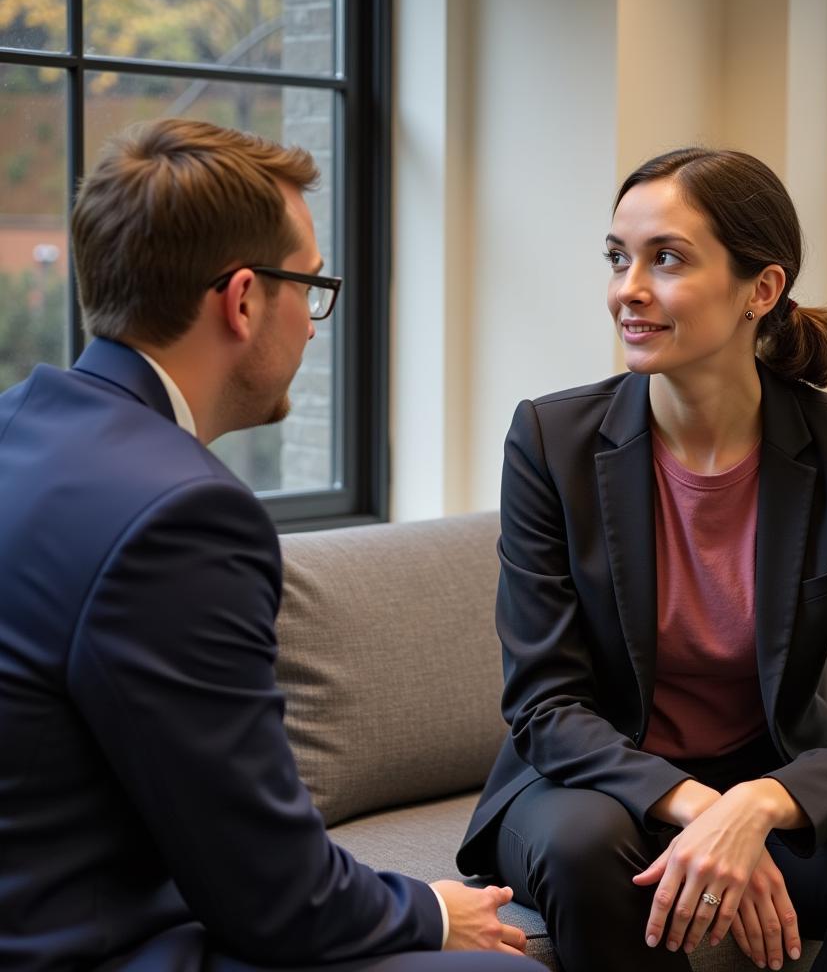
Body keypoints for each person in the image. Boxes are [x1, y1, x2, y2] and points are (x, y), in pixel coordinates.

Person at [0, 118, 540, 972]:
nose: (315, 325)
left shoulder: (20, 426)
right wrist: (432, 911)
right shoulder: (178, 517)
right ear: (244, 299)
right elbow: (274, 895)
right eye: (312, 286)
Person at [456, 148, 827, 972]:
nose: (627, 287)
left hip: (768, 779)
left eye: (666, 258)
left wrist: (763, 804)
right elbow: (547, 704)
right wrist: (704, 808)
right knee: (590, 848)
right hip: (592, 788)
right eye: (618, 257)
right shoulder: (552, 442)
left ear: (759, 291)